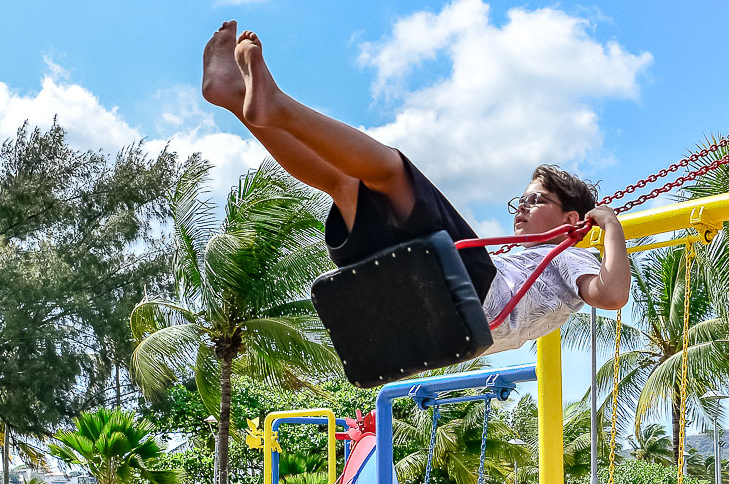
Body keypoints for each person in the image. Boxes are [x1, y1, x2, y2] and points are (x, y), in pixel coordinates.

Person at [200, 22, 632, 358]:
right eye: (519, 200)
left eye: (536, 200)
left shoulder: (570, 253)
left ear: (571, 220)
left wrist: (610, 226)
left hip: (468, 298)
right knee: (344, 183)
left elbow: (611, 295)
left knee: (389, 168)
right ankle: (234, 96)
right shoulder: (523, 255)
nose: (520, 208)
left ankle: (275, 106)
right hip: (424, 308)